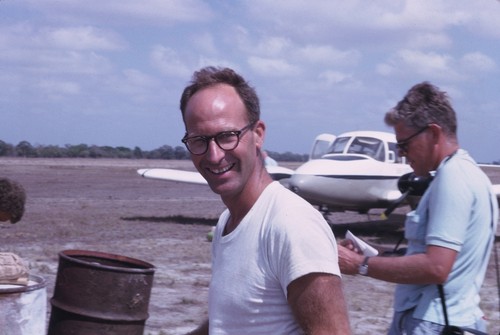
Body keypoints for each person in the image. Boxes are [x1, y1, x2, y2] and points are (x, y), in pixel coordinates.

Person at [179, 66, 351, 335]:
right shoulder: (229, 221)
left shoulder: (291, 224)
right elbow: (234, 320)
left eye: (227, 136)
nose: (213, 155)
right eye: (199, 140)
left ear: (258, 134)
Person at [338, 82, 498, 334]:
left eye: (405, 145)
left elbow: (436, 267)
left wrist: (360, 264)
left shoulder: (452, 178)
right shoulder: (468, 173)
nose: (402, 154)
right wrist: (373, 252)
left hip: (432, 323)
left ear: (433, 134)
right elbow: (431, 255)